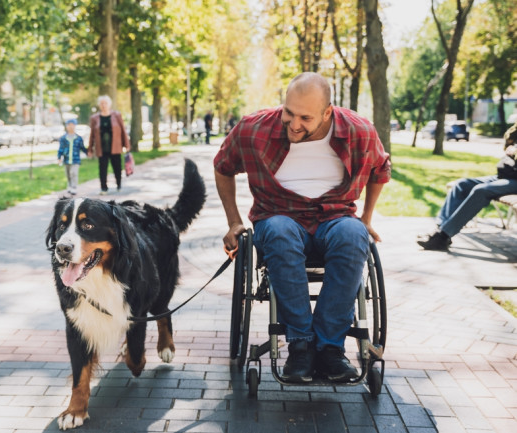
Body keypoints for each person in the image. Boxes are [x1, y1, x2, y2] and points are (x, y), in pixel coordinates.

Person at [214, 72, 391, 383]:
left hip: (335, 217)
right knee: (281, 232)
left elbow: (381, 169)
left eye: (305, 117)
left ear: (327, 113)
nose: (294, 124)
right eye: (289, 113)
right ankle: (301, 346)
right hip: (278, 215)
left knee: (354, 235)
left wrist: (366, 219)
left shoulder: (359, 130)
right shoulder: (254, 129)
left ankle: (330, 348)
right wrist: (234, 222)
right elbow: (222, 166)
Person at [417, 124, 517, 251]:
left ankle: (443, 236)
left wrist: (514, 151)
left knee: (481, 191)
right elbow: (508, 142)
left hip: (514, 180)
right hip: (507, 174)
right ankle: (440, 229)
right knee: (462, 185)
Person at [88, 95, 130, 195]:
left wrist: (126, 144)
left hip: (115, 147)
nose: (103, 105)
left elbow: (123, 131)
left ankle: (119, 184)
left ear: (109, 104)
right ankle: (103, 188)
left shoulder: (117, 115)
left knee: (117, 167)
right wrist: (90, 149)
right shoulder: (95, 118)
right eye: (101, 103)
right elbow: (92, 134)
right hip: (102, 148)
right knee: (102, 169)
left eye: (105, 103)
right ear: (99, 105)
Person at [57, 119, 88, 197]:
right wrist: (59, 157)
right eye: (69, 124)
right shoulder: (63, 138)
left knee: (73, 173)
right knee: (68, 174)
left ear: (75, 126)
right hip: (67, 160)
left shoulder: (78, 138)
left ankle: (74, 187)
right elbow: (61, 148)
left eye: (72, 124)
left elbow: (82, 147)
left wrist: (88, 152)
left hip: (75, 159)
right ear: (67, 126)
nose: (70, 126)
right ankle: (70, 186)